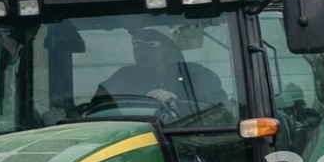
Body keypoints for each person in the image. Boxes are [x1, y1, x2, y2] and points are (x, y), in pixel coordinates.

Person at [93, 27, 227, 118]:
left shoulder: (196, 75)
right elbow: (96, 112)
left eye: (152, 45)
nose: (143, 52)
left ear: (170, 48)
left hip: (189, 141)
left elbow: (221, 113)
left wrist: (177, 103)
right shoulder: (123, 78)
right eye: (137, 45)